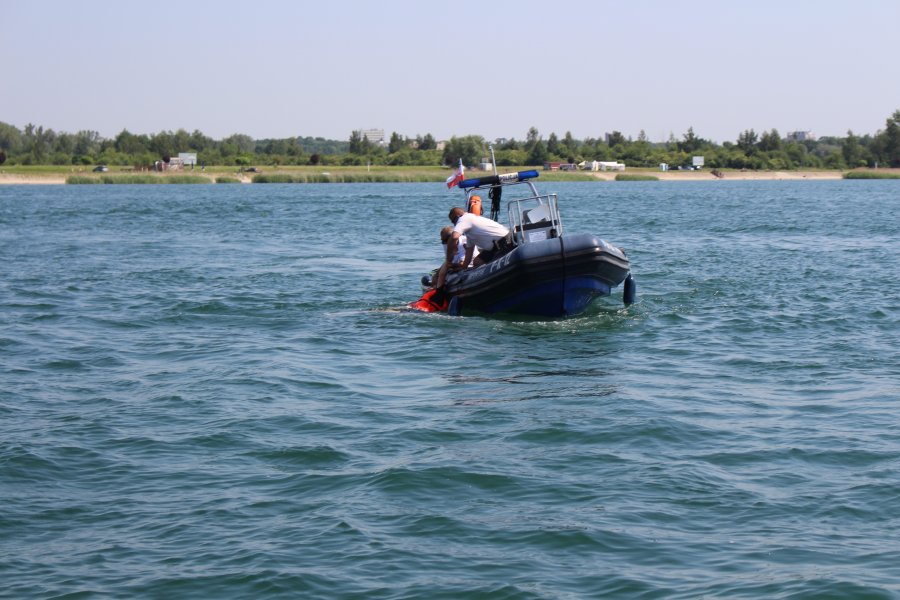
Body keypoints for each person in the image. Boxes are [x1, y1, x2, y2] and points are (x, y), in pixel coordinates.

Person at [434, 207, 511, 288]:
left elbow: (454, 237)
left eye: (453, 221)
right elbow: (469, 252)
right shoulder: (470, 233)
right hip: (493, 248)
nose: (454, 224)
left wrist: (449, 258)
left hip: (504, 242)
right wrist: (463, 267)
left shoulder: (464, 219)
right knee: (477, 262)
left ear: (458, 216)